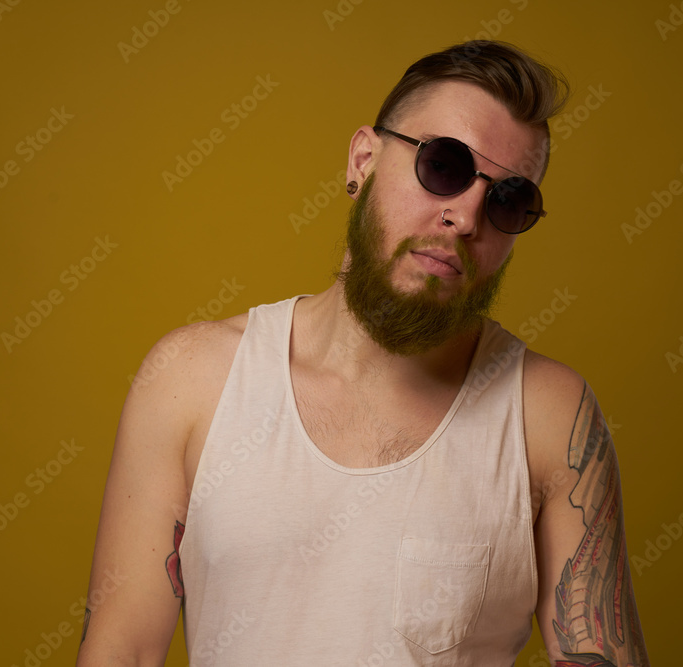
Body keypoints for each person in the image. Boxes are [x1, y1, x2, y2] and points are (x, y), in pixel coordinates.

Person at [77, 40, 650, 666]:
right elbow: (123, 650)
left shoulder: (549, 415)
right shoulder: (192, 378)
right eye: (444, 166)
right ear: (363, 161)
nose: (466, 217)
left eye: (508, 200)